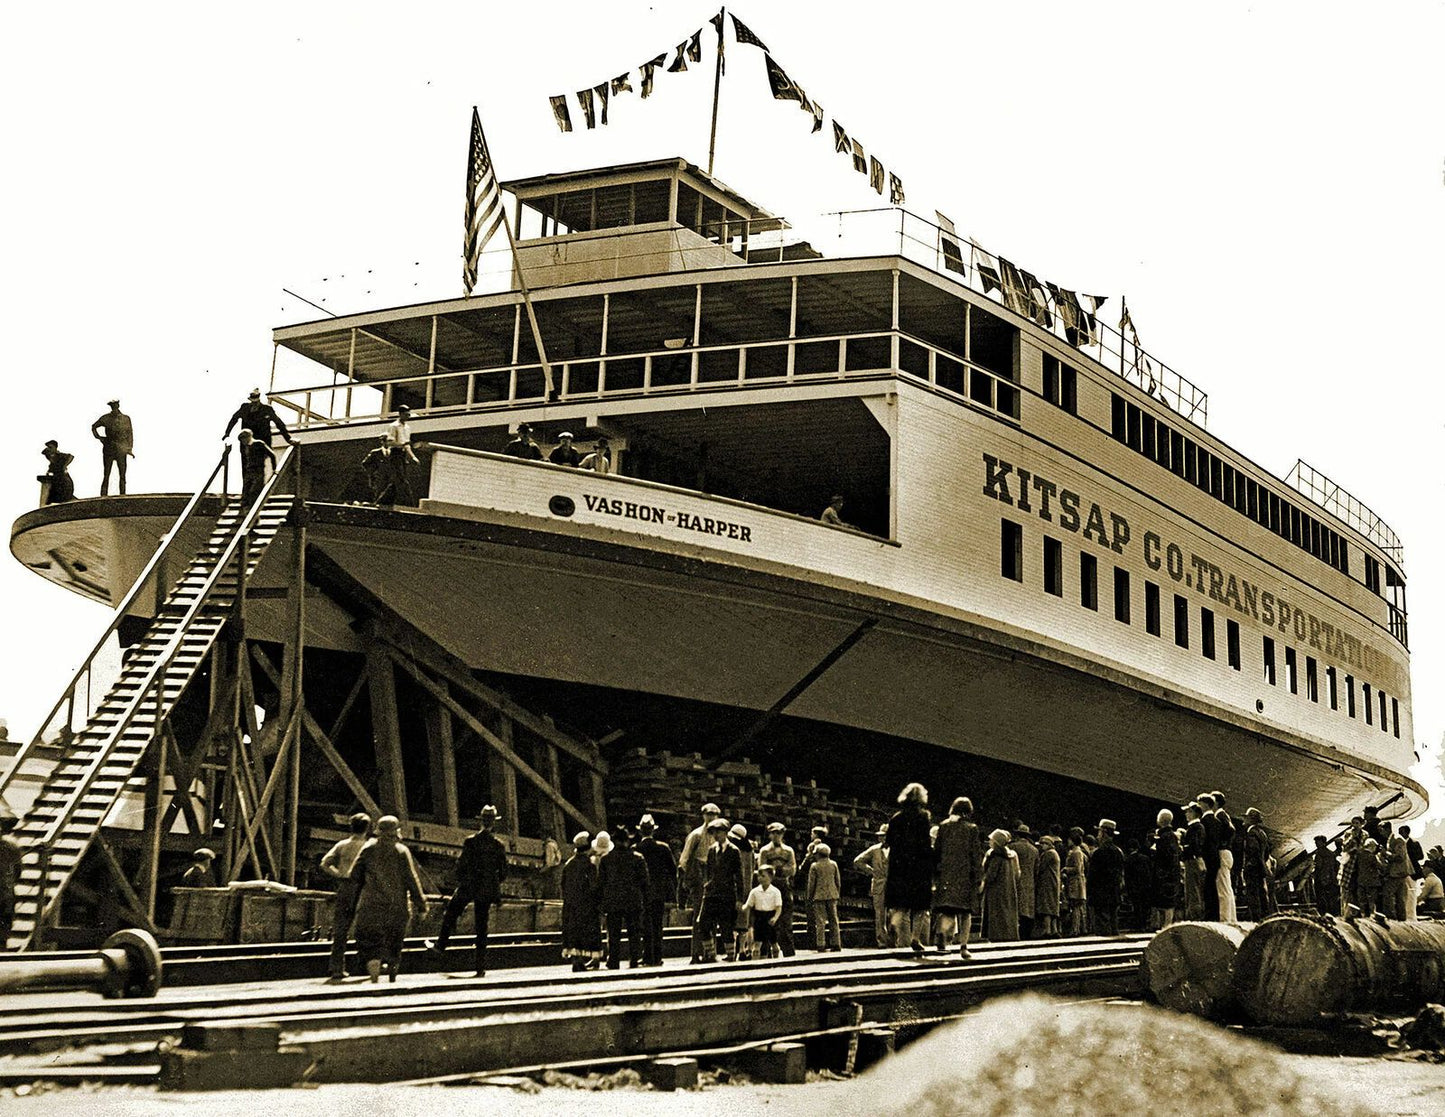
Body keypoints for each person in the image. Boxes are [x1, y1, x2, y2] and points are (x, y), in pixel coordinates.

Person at [426, 804, 509, 976]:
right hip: (486, 889)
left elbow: (461, 866)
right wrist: (491, 883)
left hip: (469, 886)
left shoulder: (470, 841)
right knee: (482, 926)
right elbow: (503, 873)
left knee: (451, 913)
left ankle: (440, 946)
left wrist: (463, 881)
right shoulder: (498, 845)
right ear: (494, 823)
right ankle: (480, 967)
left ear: (480, 821)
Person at [350, 815, 425, 983]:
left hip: (372, 907)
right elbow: (411, 880)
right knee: (395, 943)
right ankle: (392, 975)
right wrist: (421, 905)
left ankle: (374, 976)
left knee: (370, 942)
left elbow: (354, 876)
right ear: (396, 832)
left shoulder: (368, 849)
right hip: (397, 908)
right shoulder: (401, 851)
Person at [320, 813, 372, 982]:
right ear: (367, 828)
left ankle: (336, 968)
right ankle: (366, 967)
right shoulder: (369, 846)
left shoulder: (342, 845)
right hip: (364, 889)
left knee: (341, 929)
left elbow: (324, 863)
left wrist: (340, 875)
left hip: (345, 888)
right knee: (365, 928)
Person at [885, 782, 934, 954]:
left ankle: (896, 925)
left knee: (901, 904)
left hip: (899, 865)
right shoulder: (923, 817)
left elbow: (888, 842)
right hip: (918, 865)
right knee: (920, 906)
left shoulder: (896, 817)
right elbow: (926, 843)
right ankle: (915, 938)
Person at [933, 798, 982, 957]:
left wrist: (936, 874)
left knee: (947, 909)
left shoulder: (943, 826)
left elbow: (937, 852)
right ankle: (963, 946)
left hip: (946, 874)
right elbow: (975, 854)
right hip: (965, 875)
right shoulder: (971, 828)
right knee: (965, 912)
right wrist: (978, 877)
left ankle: (942, 934)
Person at [597, 828, 650, 969]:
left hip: (613, 902)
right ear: (628, 841)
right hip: (633, 901)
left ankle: (613, 960)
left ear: (613, 841)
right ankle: (634, 959)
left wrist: (601, 903)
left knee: (613, 934)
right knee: (634, 933)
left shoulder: (606, 859)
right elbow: (645, 882)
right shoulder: (638, 858)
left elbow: (601, 883)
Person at [691, 817, 739, 963]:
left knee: (726, 925)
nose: (715, 835)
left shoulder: (733, 851)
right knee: (703, 923)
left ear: (725, 832)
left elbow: (739, 875)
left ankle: (730, 955)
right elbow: (709, 871)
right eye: (713, 832)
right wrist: (707, 884)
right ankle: (711, 954)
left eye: (718, 832)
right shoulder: (712, 850)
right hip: (711, 893)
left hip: (727, 894)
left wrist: (739, 898)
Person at [635, 815, 676, 966]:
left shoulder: (636, 849)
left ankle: (647, 956)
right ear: (653, 830)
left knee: (645, 925)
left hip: (642, 893)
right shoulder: (663, 848)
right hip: (659, 892)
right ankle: (657, 956)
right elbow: (672, 871)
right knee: (658, 925)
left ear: (640, 832)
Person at [561, 832, 602, 971]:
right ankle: (593, 958)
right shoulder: (589, 865)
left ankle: (576, 959)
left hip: (571, 905)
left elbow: (563, 885)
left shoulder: (568, 864)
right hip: (587, 905)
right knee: (589, 931)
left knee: (573, 932)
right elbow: (594, 885)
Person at [758, 823, 799, 957]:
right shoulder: (765, 851)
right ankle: (766, 952)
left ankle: (789, 952)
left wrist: (779, 870)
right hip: (769, 887)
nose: (776, 836)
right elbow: (762, 869)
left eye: (779, 833)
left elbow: (792, 869)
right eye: (774, 833)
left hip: (783, 887)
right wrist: (776, 871)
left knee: (786, 922)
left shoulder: (788, 851)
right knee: (766, 919)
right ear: (769, 834)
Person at [678, 803, 721, 913]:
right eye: (708, 814)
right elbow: (685, 857)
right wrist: (687, 875)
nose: (711, 817)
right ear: (704, 816)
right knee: (699, 903)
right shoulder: (696, 835)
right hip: (698, 870)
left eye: (714, 815)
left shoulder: (718, 836)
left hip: (712, 871)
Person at [853, 825, 891, 948]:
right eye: (880, 836)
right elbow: (858, 861)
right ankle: (882, 941)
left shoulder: (898, 849)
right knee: (880, 914)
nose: (882, 839)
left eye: (884, 836)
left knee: (895, 913)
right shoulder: (874, 850)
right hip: (878, 884)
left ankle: (895, 940)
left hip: (893, 885)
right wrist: (871, 871)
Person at [980, 829, 1020, 942]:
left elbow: (990, 875)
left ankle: (996, 936)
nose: (989, 842)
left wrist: (983, 882)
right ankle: (1009, 935)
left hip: (995, 890)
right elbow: (1017, 874)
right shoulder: (1012, 855)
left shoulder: (994, 856)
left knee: (995, 915)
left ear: (997, 842)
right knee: (1008, 913)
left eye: (991, 840)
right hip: (1009, 889)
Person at [1087, 819, 1126, 936]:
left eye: (1099, 832)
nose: (1098, 835)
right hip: (1114, 894)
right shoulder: (1119, 852)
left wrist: (1090, 892)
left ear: (1103, 832)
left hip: (1100, 895)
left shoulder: (1098, 853)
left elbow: (1092, 876)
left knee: (1102, 927)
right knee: (1114, 924)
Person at [223, 388, 295, 445]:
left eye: (256, 402)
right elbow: (234, 419)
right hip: (247, 443)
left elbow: (279, 423)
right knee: (246, 461)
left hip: (263, 441)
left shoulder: (267, 410)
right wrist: (227, 433)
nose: (254, 404)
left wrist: (288, 438)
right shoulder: (245, 408)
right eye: (253, 402)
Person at [91, 399, 134, 495]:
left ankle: (122, 495)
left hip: (121, 449)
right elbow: (94, 426)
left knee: (122, 475)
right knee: (106, 474)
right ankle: (103, 495)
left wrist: (129, 448)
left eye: (115, 405)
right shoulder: (106, 418)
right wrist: (100, 438)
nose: (114, 407)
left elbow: (130, 433)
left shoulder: (126, 418)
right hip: (109, 447)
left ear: (118, 406)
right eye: (112, 406)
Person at [1241, 807, 1276, 920]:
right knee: (1262, 894)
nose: (1244, 821)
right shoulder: (1262, 833)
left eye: (1246, 818)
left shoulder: (1251, 833)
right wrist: (1262, 863)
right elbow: (1266, 852)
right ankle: (1265, 918)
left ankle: (1256, 919)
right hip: (1261, 868)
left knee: (1253, 895)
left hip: (1252, 868)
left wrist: (1249, 865)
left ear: (1251, 820)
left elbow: (1253, 850)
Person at [806, 842, 842, 951]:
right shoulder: (833, 864)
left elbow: (811, 884)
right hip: (832, 895)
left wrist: (809, 897)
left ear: (818, 854)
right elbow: (838, 881)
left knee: (820, 921)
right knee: (834, 920)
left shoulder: (814, 866)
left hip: (819, 896)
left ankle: (821, 944)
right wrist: (837, 893)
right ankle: (836, 944)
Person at [744, 864, 784, 958]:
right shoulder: (755, 891)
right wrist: (742, 909)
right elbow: (748, 905)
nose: (760, 878)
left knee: (773, 942)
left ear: (770, 877)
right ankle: (756, 962)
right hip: (759, 918)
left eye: (763, 876)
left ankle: (776, 960)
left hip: (770, 917)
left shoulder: (775, 891)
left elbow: (778, 907)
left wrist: (775, 918)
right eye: (759, 876)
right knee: (757, 942)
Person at [1150, 810, 1182, 930]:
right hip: (1170, 873)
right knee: (1167, 901)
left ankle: (1166, 925)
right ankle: (1166, 924)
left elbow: (1165, 856)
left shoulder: (1164, 837)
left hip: (1164, 873)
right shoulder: (1172, 836)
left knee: (1166, 901)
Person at [728, 823, 755, 960]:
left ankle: (733, 952)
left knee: (733, 922)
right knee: (744, 923)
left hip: (735, 888)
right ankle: (743, 950)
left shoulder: (734, 851)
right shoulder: (750, 852)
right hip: (747, 889)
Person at [1009, 824, 1040, 939]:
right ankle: (1027, 933)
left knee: (1017, 908)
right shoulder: (1034, 850)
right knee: (1028, 909)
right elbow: (1036, 869)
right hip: (1030, 882)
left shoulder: (1013, 847)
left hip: (1016, 881)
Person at [1212, 791, 1238, 922]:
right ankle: (1231, 918)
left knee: (1222, 888)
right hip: (1227, 852)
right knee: (1227, 887)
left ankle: (1225, 919)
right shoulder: (1224, 815)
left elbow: (1230, 830)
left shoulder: (1219, 815)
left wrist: (1221, 842)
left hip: (1222, 852)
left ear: (1215, 802)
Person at [1, 814, 25, 947]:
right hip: (6, 895)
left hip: (5, 896)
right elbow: (18, 872)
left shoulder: (10, 847)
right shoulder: (11, 846)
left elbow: (17, 871)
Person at [236, 429, 277, 505]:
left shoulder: (259, 444)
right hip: (249, 471)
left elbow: (272, 455)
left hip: (258, 470)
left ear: (248, 437)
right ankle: (245, 507)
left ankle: (254, 509)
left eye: (243, 439)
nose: (243, 442)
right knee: (246, 490)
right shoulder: (247, 447)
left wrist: (274, 468)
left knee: (254, 491)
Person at [1182, 802, 1207, 920]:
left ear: (1193, 813)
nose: (1186, 814)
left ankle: (1194, 917)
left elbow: (1195, 845)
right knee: (1193, 890)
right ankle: (1193, 916)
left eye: (1188, 811)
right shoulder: (1196, 827)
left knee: (1193, 890)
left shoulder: (1196, 827)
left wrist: (1183, 848)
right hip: (1193, 860)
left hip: (1192, 861)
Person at [1382, 821, 1411, 920]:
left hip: (1397, 873)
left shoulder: (1398, 840)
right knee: (1400, 898)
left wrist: (1386, 854)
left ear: (1386, 829)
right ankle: (1401, 918)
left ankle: (1392, 917)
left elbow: (1400, 857)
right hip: (1398, 873)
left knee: (1388, 894)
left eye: (1381, 830)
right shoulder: (1392, 839)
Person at [1035, 833, 1062, 938]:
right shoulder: (1055, 853)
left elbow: (1041, 868)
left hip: (1047, 883)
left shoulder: (1048, 854)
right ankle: (1054, 929)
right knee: (1053, 907)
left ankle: (1047, 930)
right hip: (1054, 882)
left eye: (1042, 844)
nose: (1041, 846)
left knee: (1046, 907)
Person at [1123, 838, 1154, 931]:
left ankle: (1137, 925)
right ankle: (1143, 925)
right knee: (1144, 906)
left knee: (1136, 907)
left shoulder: (1128, 860)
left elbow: (1127, 876)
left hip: (1134, 887)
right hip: (1145, 886)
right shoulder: (1145, 858)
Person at [1064, 827, 1089, 935]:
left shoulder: (1076, 852)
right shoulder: (1075, 852)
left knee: (1075, 906)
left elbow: (1077, 868)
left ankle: (1075, 929)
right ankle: (1082, 928)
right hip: (1075, 882)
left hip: (1076, 882)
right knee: (1077, 907)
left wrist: (1066, 869)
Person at [1310, 836, 1340, 917]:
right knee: (1330, 898)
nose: (1316, 844)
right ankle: (1332, 914)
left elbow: (1318, 866)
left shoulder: (1319, 853)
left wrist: (1314, 874)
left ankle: (1322, 914)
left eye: (1317, 842)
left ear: (1323, 843)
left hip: (1321, 879)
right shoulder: (1331, 853)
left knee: (1321, 898)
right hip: (1330, 879)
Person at [1354, 837, 1384, 916]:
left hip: (1361, 880)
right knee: (1372, 900)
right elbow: (1380, 866)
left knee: (1362, 900)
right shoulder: (1371, 856)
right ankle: (1372, 914)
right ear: (1371, 846)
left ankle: (1363, 915)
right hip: (1372, 881)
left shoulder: (1359, 855)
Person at [1403, 824, 1425, 921]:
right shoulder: (1401, 843)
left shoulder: (1414, 843)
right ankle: (1407, 915)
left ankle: (1411, 916)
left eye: (1402, 832)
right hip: (1404, 871)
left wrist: (1411, 857)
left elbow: (1420, 856)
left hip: (1412, 873)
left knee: (1411, 893)